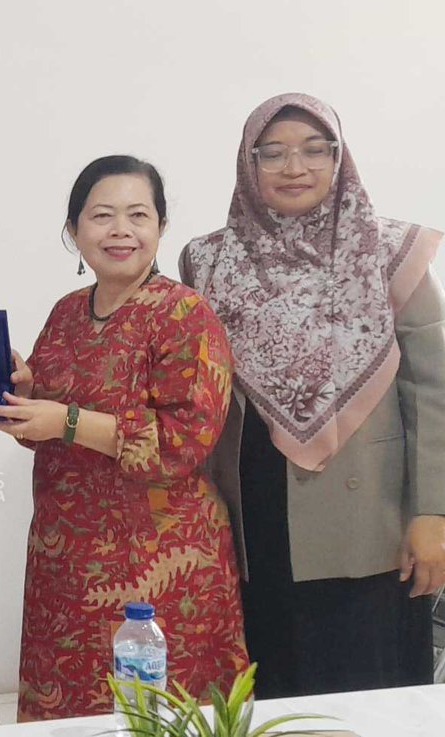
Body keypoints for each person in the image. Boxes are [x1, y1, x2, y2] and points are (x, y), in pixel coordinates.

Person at [181, 92, 445, 698]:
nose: (293, 167)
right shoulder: (208, 259)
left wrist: (432, 512)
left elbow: (433, 389)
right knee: (273, 686)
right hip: (254, 510)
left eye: (312, 150)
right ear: (248, 166)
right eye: (271, 153)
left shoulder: (388, 253)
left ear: (338, 157)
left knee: (365, 693)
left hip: (369, 518)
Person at [0, 156, 248, 721]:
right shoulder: (66, 314)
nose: (120, 230)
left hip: (160, 564)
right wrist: (23, 396)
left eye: (138, 214)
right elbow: (48, 427)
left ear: (160, 226)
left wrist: (68, 420)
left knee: (157, 715)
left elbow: (185, 441)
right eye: (101, 215)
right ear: (74, 230)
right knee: (71, 708)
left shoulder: (185, 313)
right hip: (67, 557)